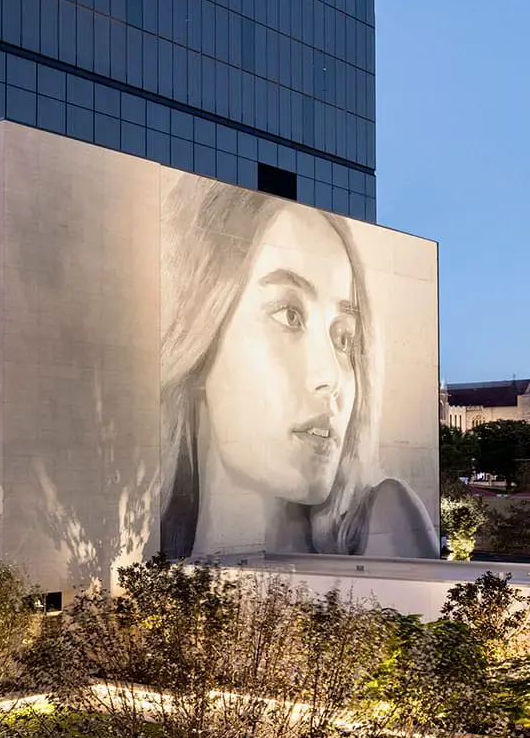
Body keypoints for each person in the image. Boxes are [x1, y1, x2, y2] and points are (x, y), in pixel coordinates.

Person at [159, 176, 437, 560]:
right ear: (200, 333)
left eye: (344, 338)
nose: (331, 377)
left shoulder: (382, 526)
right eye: (289, 315)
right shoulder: (141, 552)